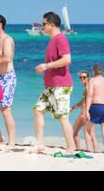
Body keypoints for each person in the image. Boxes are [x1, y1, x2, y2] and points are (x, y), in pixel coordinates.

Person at [32, 12, 75, 156]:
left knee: (63, 117)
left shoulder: (60, 39)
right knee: (37, 110)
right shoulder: (52, 40)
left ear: (51, 25)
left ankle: (70, 148)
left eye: (43, 24)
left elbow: (67, 59)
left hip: (61, 85)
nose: (41, 26)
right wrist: (45, 67)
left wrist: (47, 65)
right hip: (50, 86)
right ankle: (40, 144)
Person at [0, 14, 17, 147]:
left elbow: (8, 58)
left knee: (6, 110)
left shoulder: (7, 39)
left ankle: (11, 142)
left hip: (7, 77)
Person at [70, 71, 96, 152]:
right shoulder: (89, 87)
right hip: (91, 113)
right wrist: (74, 107)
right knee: (91, 134)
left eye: (84, 77)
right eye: (80, 77)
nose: (82, 78)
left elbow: (90, 100)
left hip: (84, 113)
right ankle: (95, 151)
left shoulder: (87, 87)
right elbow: (84, 100)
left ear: (88, 78)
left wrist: (85, 111)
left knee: (74, 132)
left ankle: (78, 149)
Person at [85, 64, 104, 152]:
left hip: (96, 106)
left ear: (93, 72)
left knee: (87, 129)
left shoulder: (92, 80)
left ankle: (89, 150)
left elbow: (89, 95)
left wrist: (86, 110)